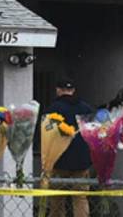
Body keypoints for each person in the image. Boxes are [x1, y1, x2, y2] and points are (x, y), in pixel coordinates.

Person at [45, 77, 94, 217]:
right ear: (73, 90)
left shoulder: (53, 108)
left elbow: (46, 133)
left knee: (57, 199)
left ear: (58, 90)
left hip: (59, 161)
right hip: (82, 162)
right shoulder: (86, 108)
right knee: (80, 198)